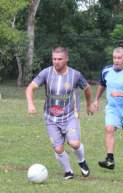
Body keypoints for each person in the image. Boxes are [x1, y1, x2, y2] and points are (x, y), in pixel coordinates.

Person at [26, 46, 94, 179]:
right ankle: (68, 172)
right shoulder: (46, 73)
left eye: (60, 59)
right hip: (51, 118)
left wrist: (88, 104)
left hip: (70, 116)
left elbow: (87, 88)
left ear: (66, 59)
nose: (56, 62)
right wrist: (30, 104)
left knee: (74, 143)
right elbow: (30, 88)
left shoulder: (75, 75)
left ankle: (82, 162)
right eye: (54, 59)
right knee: (58, 149)